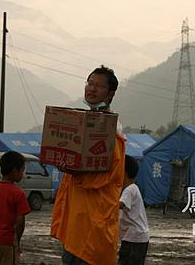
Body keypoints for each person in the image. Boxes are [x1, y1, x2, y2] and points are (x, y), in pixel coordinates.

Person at [51, 65, 126, 265]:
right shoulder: (83, 123)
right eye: (90, 83)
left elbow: (108, 174)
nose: (91, 89)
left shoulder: (113, 131)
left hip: (94, 220)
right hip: (75, 220)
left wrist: (73, 171)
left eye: (99, 86)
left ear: (110, 94)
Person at [0, 151, 31, 265]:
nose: (23, 174)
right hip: (7, 241)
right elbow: (20, 220)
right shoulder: (18, 193)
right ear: (15, 170)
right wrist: (17, 240)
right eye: (22, 170)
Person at [118, 157, 149, 265]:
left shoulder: (130, 189)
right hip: (133, 237)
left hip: (135, 238)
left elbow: (119, 205)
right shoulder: (132, 188)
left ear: (123, 172)